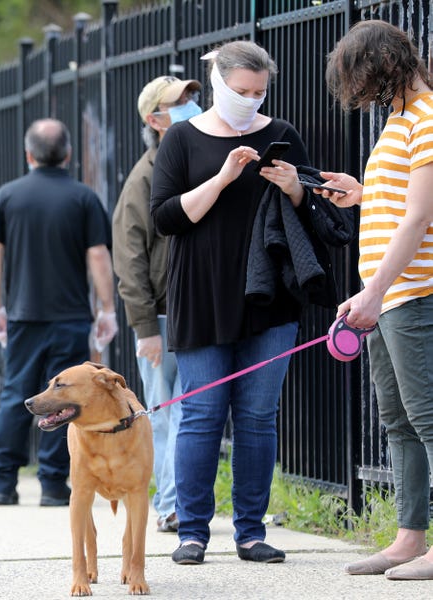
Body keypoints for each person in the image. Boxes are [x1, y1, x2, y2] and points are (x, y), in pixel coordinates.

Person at [150, 41, 311, 565]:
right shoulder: (181, 139)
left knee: (259, 415)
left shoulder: (281, 133)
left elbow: (312, 217)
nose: (250, 100)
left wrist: (295, 189)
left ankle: (249, 530)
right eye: (241, 91)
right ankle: (192, 531)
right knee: (200, 412)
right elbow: (166, 218)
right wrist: (221, 178)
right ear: (218, 83)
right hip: (201, 292)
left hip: (269, 294)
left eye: (259, 92)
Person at [322, 20, 433, 581]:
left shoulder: (430, 117)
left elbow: (420, 217)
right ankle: (410, 539)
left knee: (429, 417)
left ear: (383, 65)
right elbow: (400, 201)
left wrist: (373, 291)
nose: (360, 94)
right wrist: (362, 192)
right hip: (393, 296)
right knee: (399, 421)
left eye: (362, 79)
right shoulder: (400, 120)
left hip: (414, 294)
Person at [0, 118, 117, 507]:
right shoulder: (84, 198)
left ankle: (3, 482)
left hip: (24, 314)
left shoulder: (8, 196)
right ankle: (54, 483)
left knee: (15, 393)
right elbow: (97, 256)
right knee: (67, 398)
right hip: (72, 315)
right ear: (68, 154)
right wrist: (106, 308)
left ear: (29, 154)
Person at [112, 75, 201, 533]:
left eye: (192, 96)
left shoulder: (187, 161)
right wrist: (145, 326)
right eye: (178, 102)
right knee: (167, 415)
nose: (191, 104)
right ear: (154, 119)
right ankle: (170, 506)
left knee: (188, 413)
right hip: (161, 319)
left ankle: (177, 502)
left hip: (192, 313)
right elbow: (128, 260)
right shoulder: (144, 177)